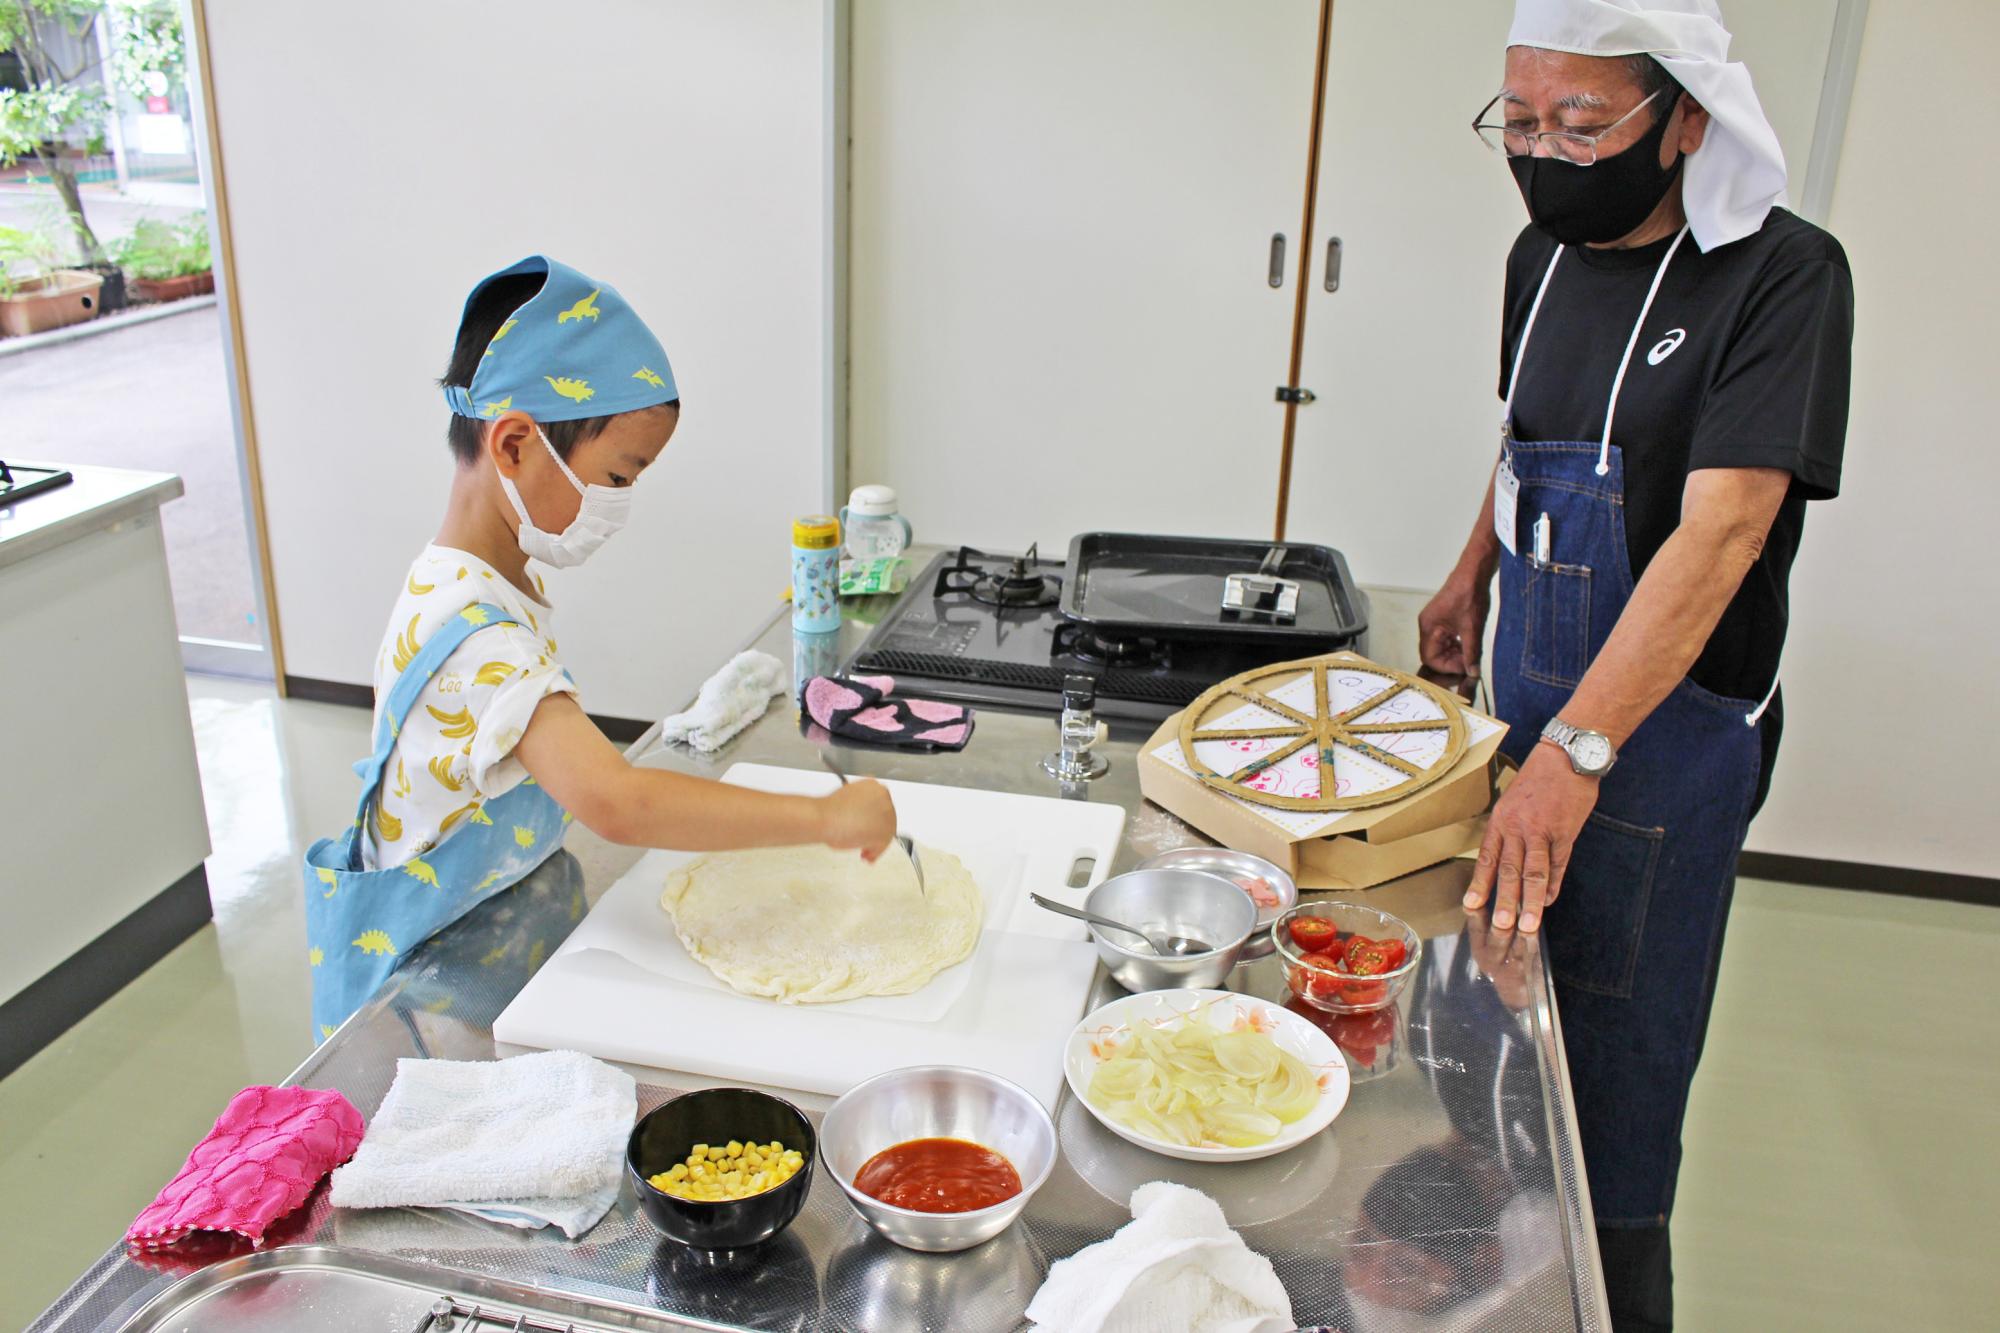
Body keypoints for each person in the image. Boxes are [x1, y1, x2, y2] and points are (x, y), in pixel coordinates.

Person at [1418, 2, 1852, 1327]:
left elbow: (1721, 531)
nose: (1544, 152)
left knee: (1607, 1090)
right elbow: (1523, 437)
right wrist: (1468, 574)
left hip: (1660, 750)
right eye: (1522, 120)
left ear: (1684, 122)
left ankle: (1614, 1297)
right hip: (1530, 714)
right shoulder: (1537, 260)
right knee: (1493, 1036)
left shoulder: (1784, 278)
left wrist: (1580, 755)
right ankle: (1499, 1279)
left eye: (1582, 124)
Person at [303, 255, 896, 1038]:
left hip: (486, 931)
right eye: (618, 474)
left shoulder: (473, 580)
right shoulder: (477, 637)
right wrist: (826, 816)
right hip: (423, 999)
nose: (621, 502)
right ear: (513, 444)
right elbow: (619, 801)